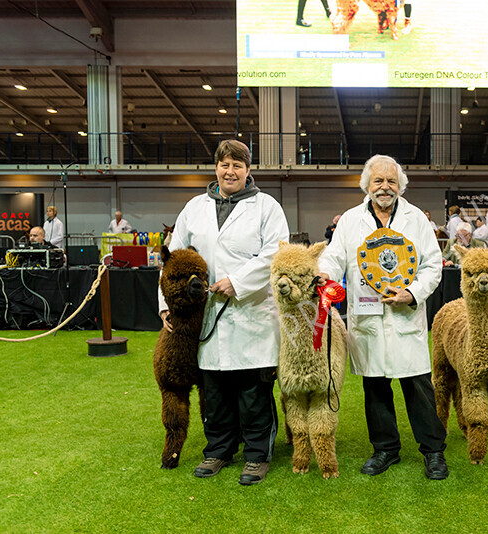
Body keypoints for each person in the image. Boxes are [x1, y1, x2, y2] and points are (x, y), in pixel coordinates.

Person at [158, 139, 290, 486]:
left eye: (237, 165)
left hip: (252, 313)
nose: (230, 171)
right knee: (214, 391)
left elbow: (274, 256)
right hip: (206, 316)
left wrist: (238, 282)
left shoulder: (267, 207)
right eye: (224, 165)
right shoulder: (193, 208)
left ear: (248, 171)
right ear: (215, 168)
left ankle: (257, 456)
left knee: (252, 393)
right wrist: (165, 306)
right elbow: (170, 259)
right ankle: (218, 449)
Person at [317, 154, 449, 480]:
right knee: (375, 387)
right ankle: (385, 449)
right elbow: (335, 257)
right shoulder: (350, 220)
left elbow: (433, 266)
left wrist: (413, 293)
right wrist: (324, 276)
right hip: (367, 318)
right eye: (378, 181)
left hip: (404, 315)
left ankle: (433, 452)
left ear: (400, 186)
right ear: (367, 185)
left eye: (391, 181)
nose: (385, 187)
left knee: (418, 386)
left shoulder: (416, 219)